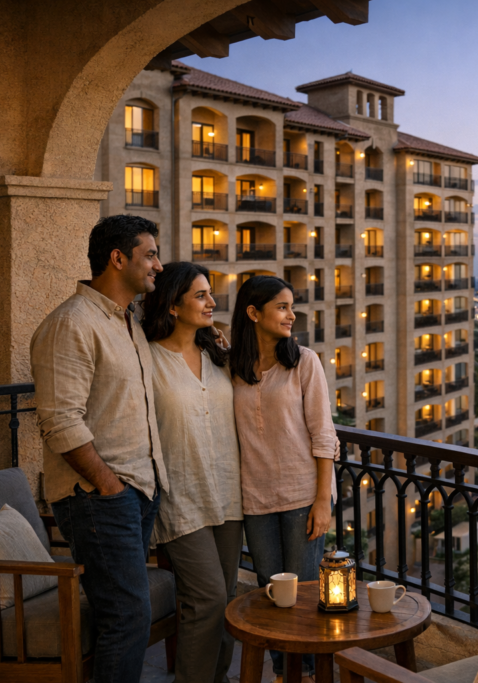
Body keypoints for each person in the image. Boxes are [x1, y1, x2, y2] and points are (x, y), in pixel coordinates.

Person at [30, 214, 167, 683]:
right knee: (126, 620)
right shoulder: (71, 323)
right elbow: (59, 420)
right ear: (118, 258)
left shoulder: (128, 324)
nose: (158, 265)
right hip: (100, 497)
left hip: (134, 492)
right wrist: (110, 487)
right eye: (150, 254)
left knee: (125, 616)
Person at [230, 276, 337, 682]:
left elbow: (324, 433)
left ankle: (305, 674)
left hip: (301, 497)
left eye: (292, 306)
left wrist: (322, 501)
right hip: (254, 498)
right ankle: (281, 673)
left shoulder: (304, 361)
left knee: (304, 594)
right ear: (254, 313)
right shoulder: (233, 367)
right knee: (269, 591)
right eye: (281, 307)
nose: (292, 315)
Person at [141, 262, 243, 683]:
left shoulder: (218, 354)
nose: (212, 302)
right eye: (200, 295)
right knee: (207, 598)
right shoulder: (146, 358)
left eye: (210, 293)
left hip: (229, 493)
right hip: (181, 496)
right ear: (173, 303)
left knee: (228, 601)